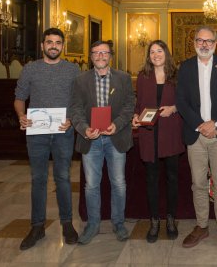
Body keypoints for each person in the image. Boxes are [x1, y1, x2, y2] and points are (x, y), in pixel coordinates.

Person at [14, 28, 79, 250]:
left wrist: (71, 118)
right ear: (42, 45)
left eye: (58, 42)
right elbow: (19, 97)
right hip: (36, 133)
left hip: (63, 131)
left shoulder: (73, 69)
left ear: (63, 46)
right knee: (38, 179)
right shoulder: (30, 69)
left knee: (63, 177)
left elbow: (78, 100)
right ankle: (37, 226)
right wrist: (22, 116)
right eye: (49, 42)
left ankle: (67, 224)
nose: (53, 46)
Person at [176, 26, 217, 251]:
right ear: (194, 42)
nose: (204, 44)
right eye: (200, 40)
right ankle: (202, 226)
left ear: (216, 43)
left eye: (208, 41)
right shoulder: (185, 67)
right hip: (195, 136)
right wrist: (200, 125)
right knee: (198, 184)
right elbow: (181, 101)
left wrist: (215, 123)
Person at [70, 40, 135, 245]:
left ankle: (118, 223)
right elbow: (75, 109)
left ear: (110, 56)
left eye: (104, 53)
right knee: (91, 185)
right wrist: (83, 129)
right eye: (96, 53)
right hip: (91, 140)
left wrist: (117, 124)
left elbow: (129, 105)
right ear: (91, 56)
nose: (100, 56)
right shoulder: (80, 80)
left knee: (119, 183)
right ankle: (93, 224)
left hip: (116, 137)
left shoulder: (124, 78)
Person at [132, 40, 185, 243]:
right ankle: (154, 221)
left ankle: (171, 219)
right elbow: (139, 104)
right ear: (149, 56)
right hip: (148, 133)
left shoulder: (177, 76)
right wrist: (135, 116)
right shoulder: (143, 77)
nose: (156, 55)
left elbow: (188, 100)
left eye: (159, 51)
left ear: (166, 53)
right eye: (152, 51)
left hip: (171, 133)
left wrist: (174, 108)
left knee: (172, 178)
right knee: (151, 180)